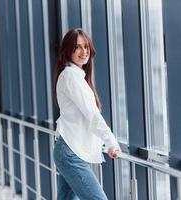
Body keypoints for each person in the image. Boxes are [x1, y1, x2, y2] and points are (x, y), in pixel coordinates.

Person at [53, 28, 121, 200]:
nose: (84, 52)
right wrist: (111, 141)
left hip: (68, 150)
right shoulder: (71, 77)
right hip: (70, 152)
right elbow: (92, 115)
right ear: (68, 50)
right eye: (78, 47)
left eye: (86, 47)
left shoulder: (76, 76)